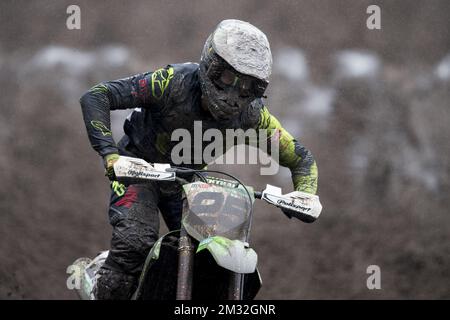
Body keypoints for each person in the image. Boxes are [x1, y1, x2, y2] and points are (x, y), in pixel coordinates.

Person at [79, 19, 318, 300]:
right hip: (139, 169)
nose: (233, 96)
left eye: (247, 87)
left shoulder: (253, 116)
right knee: (135, 242)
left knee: (213, 256)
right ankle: (102, 282)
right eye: (228, 78)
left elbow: (300, 158)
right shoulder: (171, 83)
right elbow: (97, 96)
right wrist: (110, 154)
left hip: (188, 183)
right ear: (210, 65)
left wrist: (306, 194)